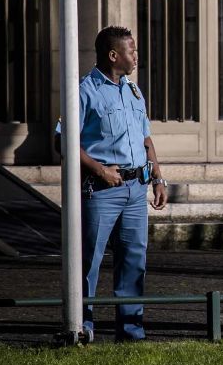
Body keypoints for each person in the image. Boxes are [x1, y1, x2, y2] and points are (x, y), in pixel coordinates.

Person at [70, 26, 167, 343]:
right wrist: (99, 171)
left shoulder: (133, 91)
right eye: (132, 50)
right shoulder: (84, 91)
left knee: (134, 260)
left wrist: (158, 178)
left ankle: (131, 331)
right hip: (103, 191)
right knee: (89, 262)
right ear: (114, 55)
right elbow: (65, 141)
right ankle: (82, 326)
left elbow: (145, 137)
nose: (136, 56)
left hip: (136, 189)